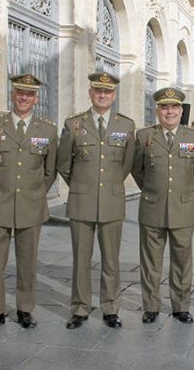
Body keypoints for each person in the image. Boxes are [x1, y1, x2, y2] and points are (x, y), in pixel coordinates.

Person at [0, 74, 58, 334]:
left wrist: (34, 193)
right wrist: (0, 189)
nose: (24, 97)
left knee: (27, 261)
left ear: (36, 98)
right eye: (19, 92)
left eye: (29, 94)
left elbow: (50, 170)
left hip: (31, 205)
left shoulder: (47, 130)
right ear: (12, 94)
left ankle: (25, 309)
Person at [57, 72, 136, 329]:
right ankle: (80, 308)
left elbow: (126, 164)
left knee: (111, 259)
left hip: (111, 201)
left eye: (108, 92)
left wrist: (108, 186)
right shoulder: (74, 125)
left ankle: (110, 308)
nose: (102, 95)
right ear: (90, 93)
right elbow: (64, 163)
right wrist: (82, 185)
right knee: (81, 258)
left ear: (114, 96)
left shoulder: (126, 126)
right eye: (98, 91)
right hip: (81, 201)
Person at [132, 88, 194, 324]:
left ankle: (181, 306)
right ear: (157, 110)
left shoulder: (193, 138)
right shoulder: (144, 137)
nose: (169, 112)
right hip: (152, 206)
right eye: (164, 107)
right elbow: (137, 169)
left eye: (174, 107)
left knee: (182, 261)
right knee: (151, 261)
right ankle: (151, 306)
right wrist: (154, 190)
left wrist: (183, 191)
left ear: (181, 110)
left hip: (183, 207)